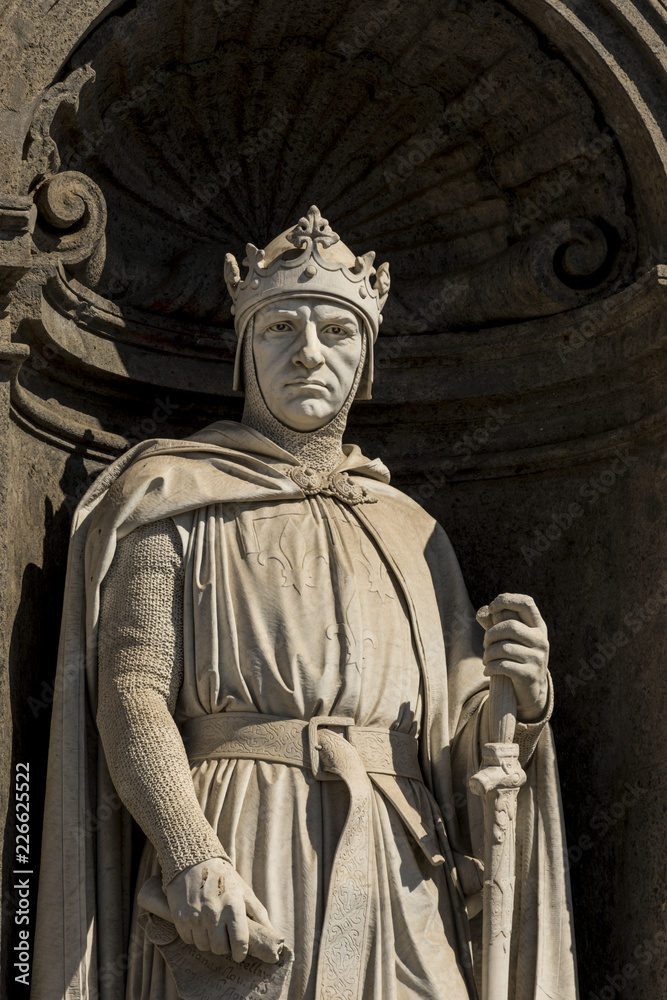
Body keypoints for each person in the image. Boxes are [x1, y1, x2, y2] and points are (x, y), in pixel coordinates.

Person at [32, 207, 578, 1000]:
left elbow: (457, 754)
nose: (309, 353)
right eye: (280, 327)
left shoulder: (413, 532)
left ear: (366, 358)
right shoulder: (172, 496)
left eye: (337, 332)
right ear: (244, 350)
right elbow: (131, 692)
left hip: (398, 855)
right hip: (242, 830)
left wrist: (518, 706)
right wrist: (191, 854)